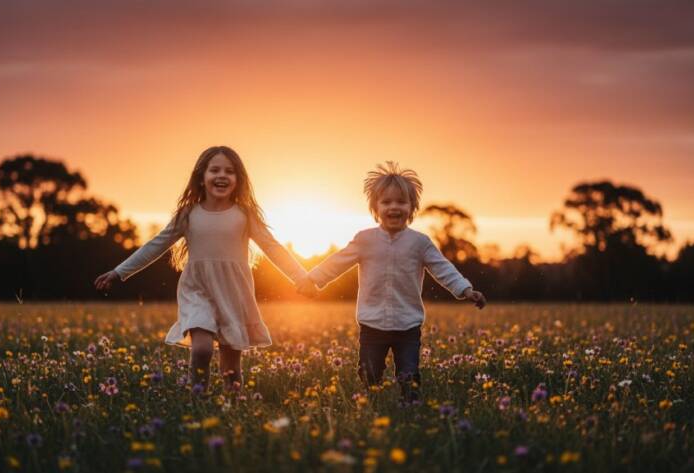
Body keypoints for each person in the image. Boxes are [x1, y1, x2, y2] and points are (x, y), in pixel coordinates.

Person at [95, 146, 314, 393]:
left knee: (231, 367)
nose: (222, 176)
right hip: (197, 290)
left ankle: (233, 406)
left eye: (229, 171)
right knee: (201, 349)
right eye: (215, 170)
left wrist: (301, 277)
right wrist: (119, 271)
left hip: (234, 293)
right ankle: (197, 400)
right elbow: (156, 245)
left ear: (238, 179)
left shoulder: (245, 215)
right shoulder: (188, 214)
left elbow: (272, 247)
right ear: (201, 176)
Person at [297, 161, 486, 402]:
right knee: (369, 373)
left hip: (408, 325)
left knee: (408, 374)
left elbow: (443, 269)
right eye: (386, 202)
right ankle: (373, 406)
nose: (394, 207)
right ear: (375, 207)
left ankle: (410, 407)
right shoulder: (365, 240)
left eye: (401, 202)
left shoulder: (420, 243)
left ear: (412, 207)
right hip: (372, 324)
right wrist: (312, 278)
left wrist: (466, 290)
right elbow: (338, 261)